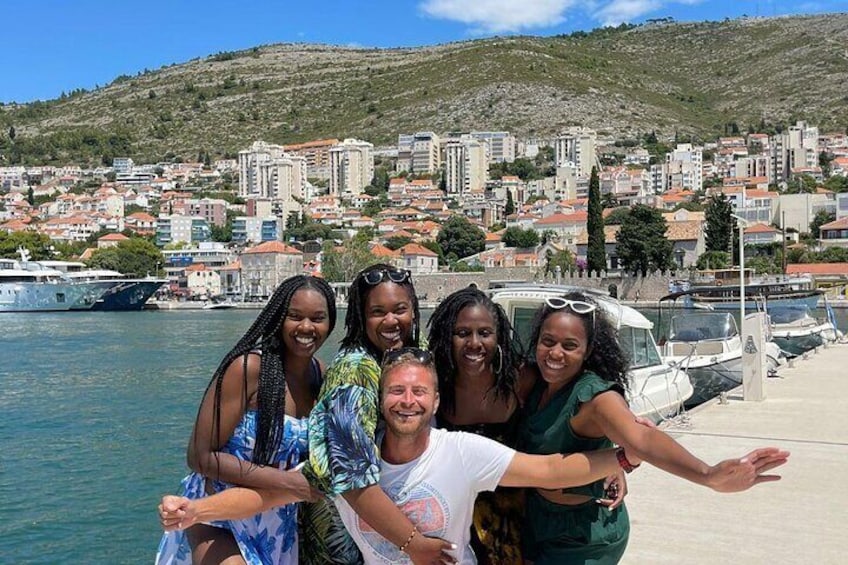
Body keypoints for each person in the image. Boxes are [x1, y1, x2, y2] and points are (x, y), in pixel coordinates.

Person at [159, 349, 659, 564]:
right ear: (379, 401)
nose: (407, 400)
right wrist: (195, 512)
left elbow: (551, 469)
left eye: (420, 392)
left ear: (437, 403)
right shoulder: (351, 465)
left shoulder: (462, 453)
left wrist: (621, 456)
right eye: (396, 390)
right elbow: (263, 497)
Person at [519, 291, 790, 564]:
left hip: (584, 536)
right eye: (548, 341)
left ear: (587, 350)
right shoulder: (534, 383)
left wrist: (707, 475)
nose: (555, 353)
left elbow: (643, 439)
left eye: (570, 345)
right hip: (537, 518)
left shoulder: (595, 397)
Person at [427, 287, 630, 564]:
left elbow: (576, 404)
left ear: (498, 337)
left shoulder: (520, 379)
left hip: (523, 516)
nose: (474, 343)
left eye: (484, 333)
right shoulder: (435, 386)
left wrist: (613, 459)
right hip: (461, 516)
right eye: (462, 333)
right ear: (446, 337)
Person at [156, 275, 336, 565]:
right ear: (278, 318)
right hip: (216, 515)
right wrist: (288, 482)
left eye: (317, 318)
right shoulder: (248, 368)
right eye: (294, 316)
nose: (306, 327)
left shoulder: (321, 376)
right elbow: (200, 456)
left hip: (278, 524)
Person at [299, 263, 453, 565]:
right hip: (344, 536)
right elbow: (352, 480)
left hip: (389, 523)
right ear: (360, 316)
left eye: (400, 309)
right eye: (378, 312)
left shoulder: (412, 349)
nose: (391, 321)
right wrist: (414, 543)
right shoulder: (354, 373)